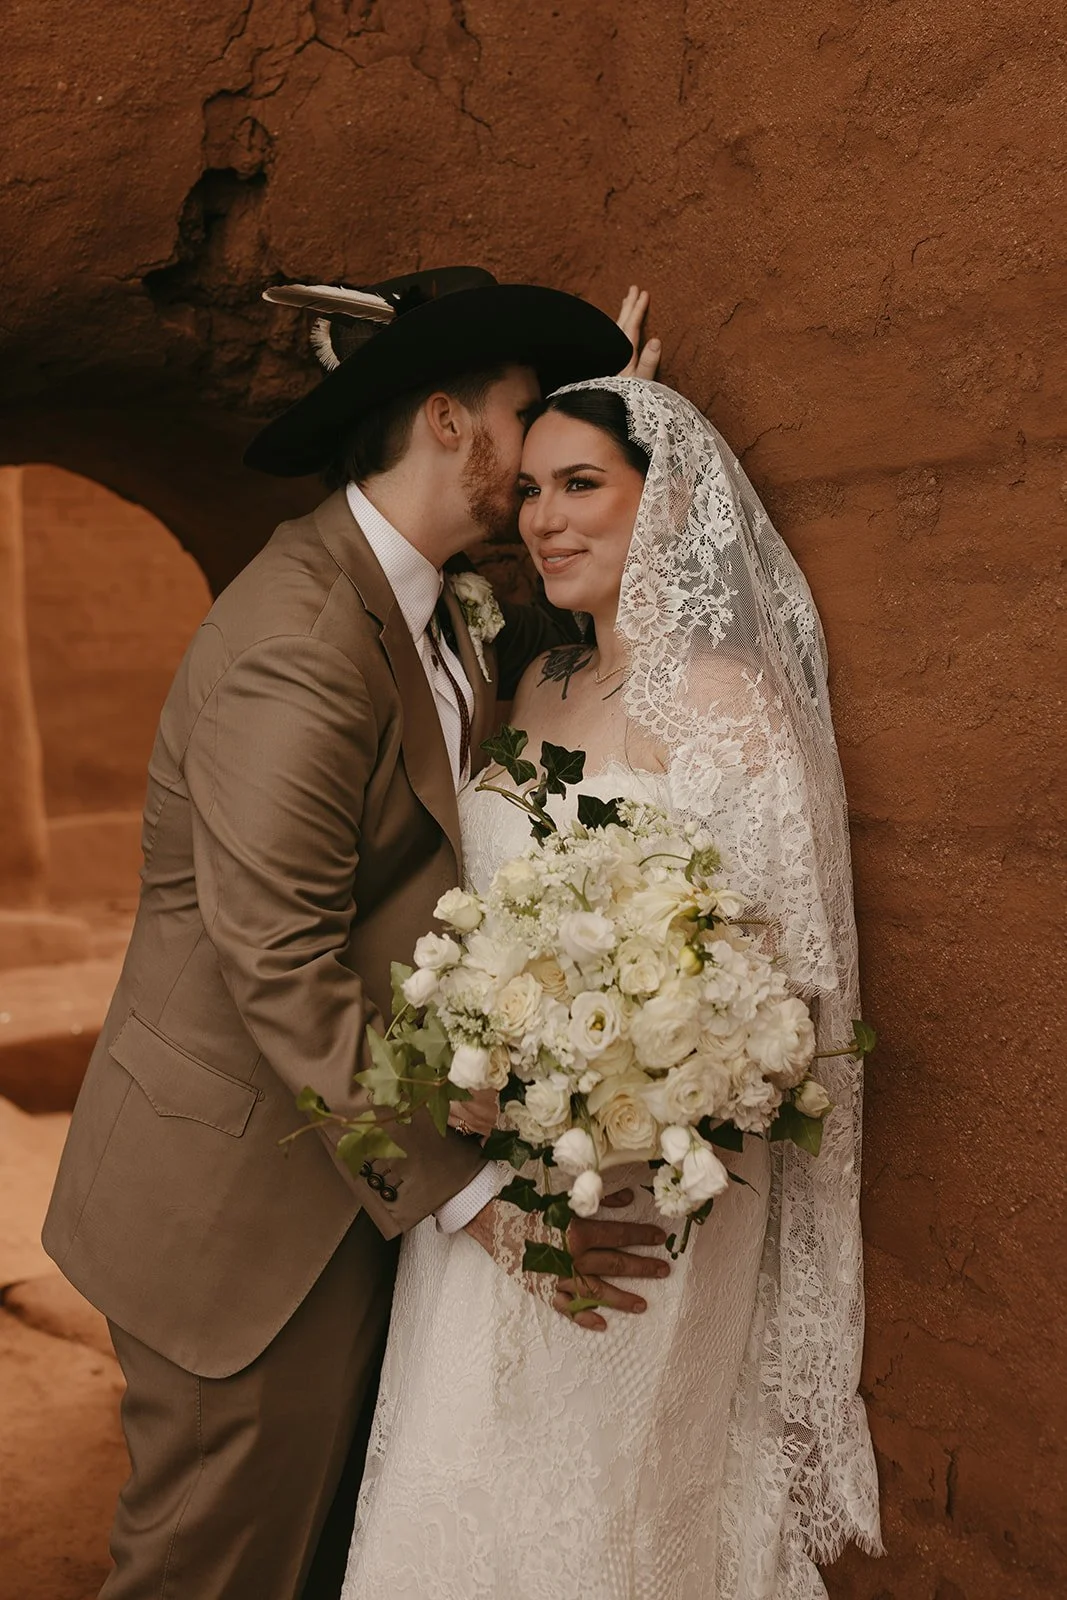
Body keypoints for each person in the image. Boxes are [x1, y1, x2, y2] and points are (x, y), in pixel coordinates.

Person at [42, 268, 662, 1600]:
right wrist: (481, 1200)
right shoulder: (301, 636)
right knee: (211, 1574)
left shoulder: (446, 603)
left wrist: (632, 429)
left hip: (336, 1184)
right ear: (448, 423)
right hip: (237, 1216)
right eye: (523, 412)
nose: (539, 439)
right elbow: (276, 965)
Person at [343, 378, 882, 1598]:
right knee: (453, 1477)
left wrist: (614, 1097)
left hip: (647, 1195)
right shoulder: (531, 686)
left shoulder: (733, 704)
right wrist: (471, 1072)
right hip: (484, 1189)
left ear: (674, 500)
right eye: (527, 489)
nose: (541, 518)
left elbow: (786, 993)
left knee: (600, 1508)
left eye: (581, 484)